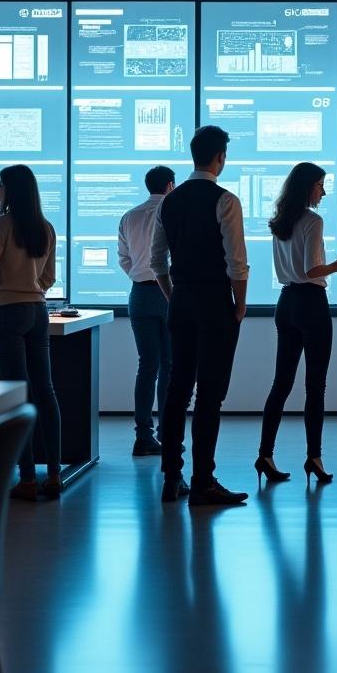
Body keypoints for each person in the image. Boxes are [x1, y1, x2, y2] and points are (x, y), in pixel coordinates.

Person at [151, 125, 250, 507]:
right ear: (220, 158)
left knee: (178, 388)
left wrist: (174, 296)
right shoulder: (226, 200)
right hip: (214, 302)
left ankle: (171, 476)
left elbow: (156, 262)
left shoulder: (169, 203)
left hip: (182, 301)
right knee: (210, 393)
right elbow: (236, 264)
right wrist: (239, 305)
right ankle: (203, 479)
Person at [256, 163, 337, 486]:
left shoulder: (279, 221)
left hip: (286, 303)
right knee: (315, 386)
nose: (323, 192)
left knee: (280, 384)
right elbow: (312, 270)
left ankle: (265, 454)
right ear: (308, 186)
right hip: (311, 304)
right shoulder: (313, 221)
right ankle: (314, 457)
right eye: (321, 185)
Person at [0, 165, 62, 501]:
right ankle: (54, 474)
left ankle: (27, 479)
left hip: (7, 312)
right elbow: (49, 278)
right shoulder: (46, 227)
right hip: (38, 311)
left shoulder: (0, 225)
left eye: (0, 186)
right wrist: (30, 286)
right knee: (46, 391)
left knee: (18, 395)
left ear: (11, 191)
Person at [119, 165, 176, 456]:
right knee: (169, 365)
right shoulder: (172, 211)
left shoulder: (129, 216)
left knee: (147, 365)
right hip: (168, 293)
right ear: (170, 185)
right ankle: (168, 432)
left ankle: (143, 436)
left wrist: (139, 275)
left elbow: (124, 259)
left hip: (139, 293)